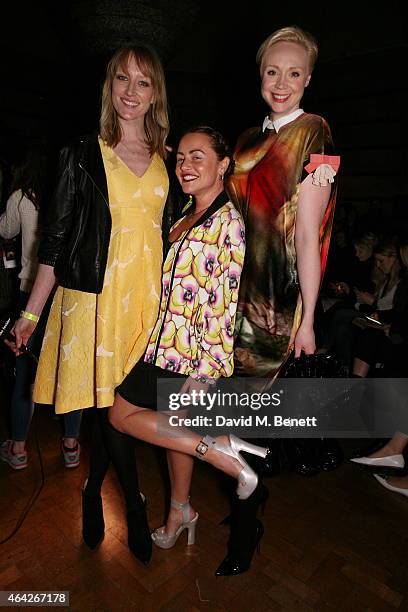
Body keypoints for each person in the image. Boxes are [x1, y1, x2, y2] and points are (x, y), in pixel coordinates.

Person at [10, 45, 178, 562]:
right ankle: (135, 504)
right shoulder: (81, 153)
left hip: (148, 302)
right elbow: (55, 242)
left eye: (143, 82)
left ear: (155, 94)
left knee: (120, 411)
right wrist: (31, 314)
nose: (131, 91)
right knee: (110, 411)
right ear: (109, 87)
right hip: (100, 302)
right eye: (122, 79)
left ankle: (91, 490)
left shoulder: (167, 158)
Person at [108, 126, 268, 575]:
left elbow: (225, 304)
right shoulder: (186, 213)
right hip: (161, 345)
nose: (186, 166)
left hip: (186, 356)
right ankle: (181, 510)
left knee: (120, 417)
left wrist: (207, 373)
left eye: (199, 157)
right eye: (180, 158)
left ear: (223, 165)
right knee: (170, 431)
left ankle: (226, 458)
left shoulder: (227, 222)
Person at [0, 151, 82, 469]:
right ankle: (71, 444)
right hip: (67, 298)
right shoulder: (74, 197)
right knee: (70, 371)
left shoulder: (23, 197)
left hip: (30, 297)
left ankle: (19, 448)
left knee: (24, 375)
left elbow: (5, 231)